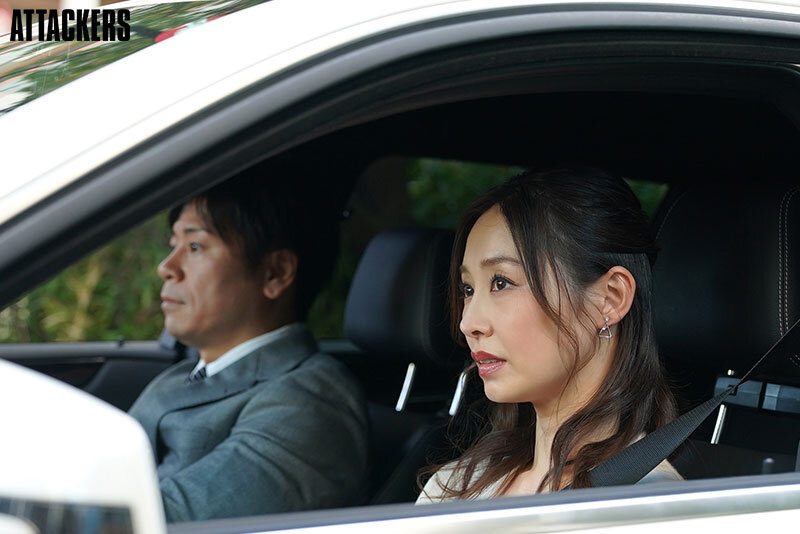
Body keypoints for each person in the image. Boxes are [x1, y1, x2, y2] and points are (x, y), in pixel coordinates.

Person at [417, 166, 681, 503]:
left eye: (501, 282)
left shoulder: (651, 508)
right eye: (468, 289)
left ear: (610, 299)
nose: (468, 323)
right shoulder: (453, 486)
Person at [129, 171, 369, 522]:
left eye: (195, 247)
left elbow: (162, 519)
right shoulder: (182, 374)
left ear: (276, 273)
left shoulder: (310, 403)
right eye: (173, 245)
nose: (166, 267)